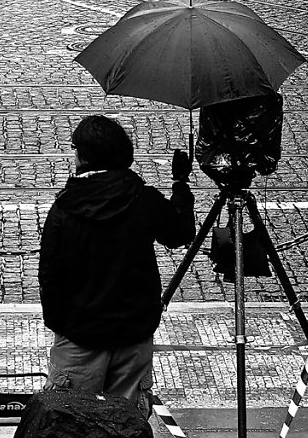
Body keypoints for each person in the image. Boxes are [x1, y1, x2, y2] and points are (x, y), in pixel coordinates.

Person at [38, 115, 195, 415]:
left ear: (84, 156)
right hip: (132, 336)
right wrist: (180, 185)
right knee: (125, 429)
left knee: (70, 426)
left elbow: (50, 276)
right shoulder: (142, 198)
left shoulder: (65, 209)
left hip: (80, 338)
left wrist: (62, 327)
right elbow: (181, 232)